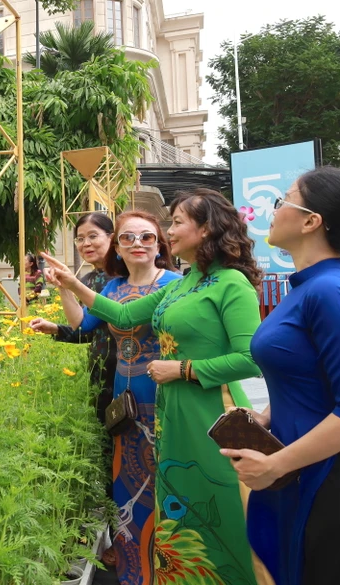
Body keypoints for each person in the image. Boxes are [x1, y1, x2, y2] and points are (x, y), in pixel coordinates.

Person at [42, 189, 268, 585]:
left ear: (207, 229)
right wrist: (70, 283)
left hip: (211, 412)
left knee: (219, 505)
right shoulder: (186, 282)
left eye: (177, 222)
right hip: (171, 412)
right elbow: (124, 313)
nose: (169, 231)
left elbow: (251, 358)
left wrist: (181, 369)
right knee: (179, 509)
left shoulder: (231, 283)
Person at [223, 168, 340, 585]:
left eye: (284, 200)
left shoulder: (331, 292)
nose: (273, 212)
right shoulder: (309, 288)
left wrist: (275, 464)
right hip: (305, 466)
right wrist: (268, 417)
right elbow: (309, 373)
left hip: (339, 486)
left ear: (311, 221)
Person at [68, 212, 180, 584]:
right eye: (128, 238)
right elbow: (81, 326)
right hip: (124, 394)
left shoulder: (177, 284)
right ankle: (135, 571)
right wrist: (64, 286)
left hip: (165, 391)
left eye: (146, 237)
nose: (137, 244)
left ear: (159, 244)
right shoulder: (112, 288)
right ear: (118, 247)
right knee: (127, 482)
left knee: (169, 477)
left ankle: (173, 568)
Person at [29, 213, 118, 424]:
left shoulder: (125, 277)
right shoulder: (88, 279)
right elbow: (88, 330)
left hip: (126, 372)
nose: (86, 243)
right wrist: (56, 328)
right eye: (80, 238)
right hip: (100, 374)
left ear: (112, 238)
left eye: (93, 236)